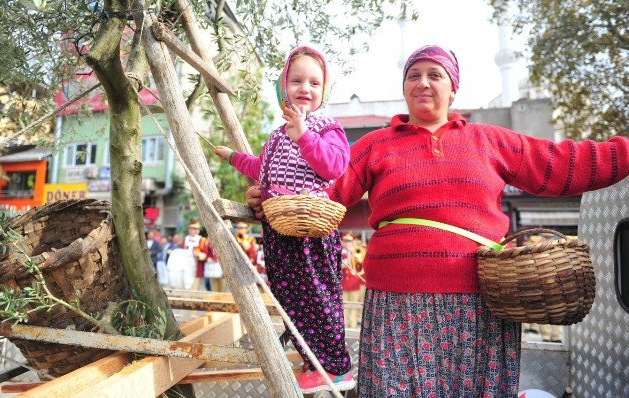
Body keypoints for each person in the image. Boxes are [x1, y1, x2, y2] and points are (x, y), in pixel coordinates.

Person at [247, 44, 629, 397]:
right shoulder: (374, 145)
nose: (423, 82)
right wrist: (271, 197)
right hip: (395, 303)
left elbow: (565, 164)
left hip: (479, 305)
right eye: (413, 75)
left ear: (453, 89)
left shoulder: (489, 139)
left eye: (434, 74)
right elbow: (320, 201)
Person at [214, 46, 355, 393]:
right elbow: (260, 168)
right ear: (283, 88)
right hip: (279, 230)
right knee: (289, 299)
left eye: (314, 83)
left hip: (310, 228)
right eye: (296, 81)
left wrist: (304, 135)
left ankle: (335, 366)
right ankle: (312, 362)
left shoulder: (326, 128)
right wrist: (233, 157)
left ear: (324, 92)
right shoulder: (277, 135)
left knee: (318, 295)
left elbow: (334, 167)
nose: (305, 88)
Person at [167, 221, 203, 289]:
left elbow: (205, 254)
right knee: (185, 286)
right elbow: (182, 250)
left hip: (196, 266)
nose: (196, 231)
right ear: (189, 230)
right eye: (193, 229)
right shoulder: (186, 239)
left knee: (194, 288)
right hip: (185, 266)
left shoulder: (202, 240)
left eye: (197, 229)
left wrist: (198, 255)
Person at [340, 233, 363, 329]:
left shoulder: (356, 252)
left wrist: (354, 255)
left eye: (349, 241)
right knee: (343, 306)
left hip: (354, 282)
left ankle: (352, 325)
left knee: (354, 305)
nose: (347, 243)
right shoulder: (340, 253)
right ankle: (343, 326)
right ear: (342, 242)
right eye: (345, 241)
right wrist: (346, 257)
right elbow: (340, 266)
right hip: (343, 283)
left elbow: (360, 265)